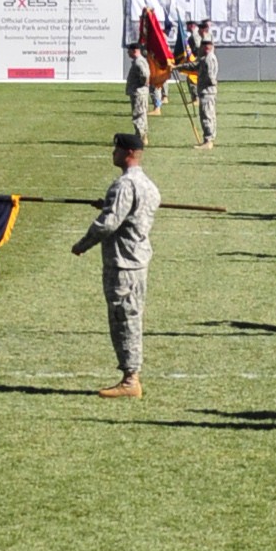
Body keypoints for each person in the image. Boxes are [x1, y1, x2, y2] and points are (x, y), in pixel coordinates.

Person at [71, 130, 161, 399]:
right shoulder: (148, 184)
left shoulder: (124, 185)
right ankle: (130, 376)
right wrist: (109, 205)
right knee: (129, 315)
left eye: (118, 149)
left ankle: (130, 378)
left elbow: (109, 223)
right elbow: (132, 212)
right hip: (137, 258)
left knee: (125, 318)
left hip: (123, 261)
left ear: (130, 154)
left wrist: (83, 244)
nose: (114, 153)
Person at [194, 24, 220, 147]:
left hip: (207, 91)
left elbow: (210, 76)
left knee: (206, 114)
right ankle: (210, 138)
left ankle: (208, 140)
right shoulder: (207, 58)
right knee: (210, 114)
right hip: (210, 91)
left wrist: (211, 83)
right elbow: (195, 66)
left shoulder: (208, 59)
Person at [124, 43, 152, 145]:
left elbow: (145, 75)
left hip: (139, 93)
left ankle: (140, 137)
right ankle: (142, 136)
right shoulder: (140, 60)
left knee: (138, 115)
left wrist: (143, 83)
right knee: (142, 114)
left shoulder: (139, 62)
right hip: (140, 92)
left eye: (129, 51)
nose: (127, 53)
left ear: (134, 50)